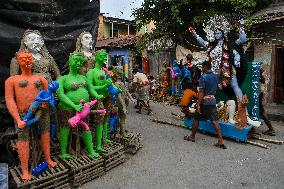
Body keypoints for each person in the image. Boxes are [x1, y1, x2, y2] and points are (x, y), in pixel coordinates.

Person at [184, 60, 227, 149]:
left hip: (205, 102)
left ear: (205, 67)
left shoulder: (203, 77)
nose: (202, 69)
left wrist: (198, 103)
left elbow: (201, 92)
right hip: (212, 101)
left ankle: (192, 137)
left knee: (196, 118)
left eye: (202, 67)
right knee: (214, 121)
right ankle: (220, 141)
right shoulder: (215, 76)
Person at [259, 68, 275, 136]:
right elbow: (263, 81)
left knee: (261, 111)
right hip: (259, 93)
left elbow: (263, 81)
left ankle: (271, 129)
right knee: (261, 111)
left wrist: (259, 73)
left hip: (258, 93)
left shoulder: (255, 69)